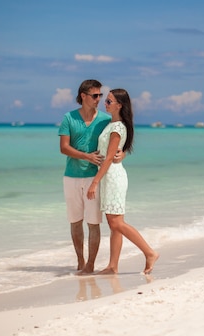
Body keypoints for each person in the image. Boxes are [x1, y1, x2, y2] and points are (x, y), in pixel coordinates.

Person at [87, 88, 159, 275]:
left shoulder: (118, 127)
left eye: (109, 101)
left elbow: (109, 158)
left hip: (112, 177)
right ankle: (113, 266)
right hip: (109, 176)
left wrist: (94, 182)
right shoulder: (112, 124)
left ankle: (150, 253)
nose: (106, 103)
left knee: (117, 223)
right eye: (106, 100)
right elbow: (115, 153)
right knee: (114, 224)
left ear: (119, 105)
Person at [58, 79, 122, 275]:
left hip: (95, 178)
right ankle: (80, 261)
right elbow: (64, 148)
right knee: (75, 221)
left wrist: (122, 153)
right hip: (71, 177)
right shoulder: (69, 118)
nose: (99, 99)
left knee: (93, 222)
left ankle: (91, 264)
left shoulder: (105, 120)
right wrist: (86, 156)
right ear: (83, 96)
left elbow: (119, 139)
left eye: (100, 96)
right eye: (95, 96)